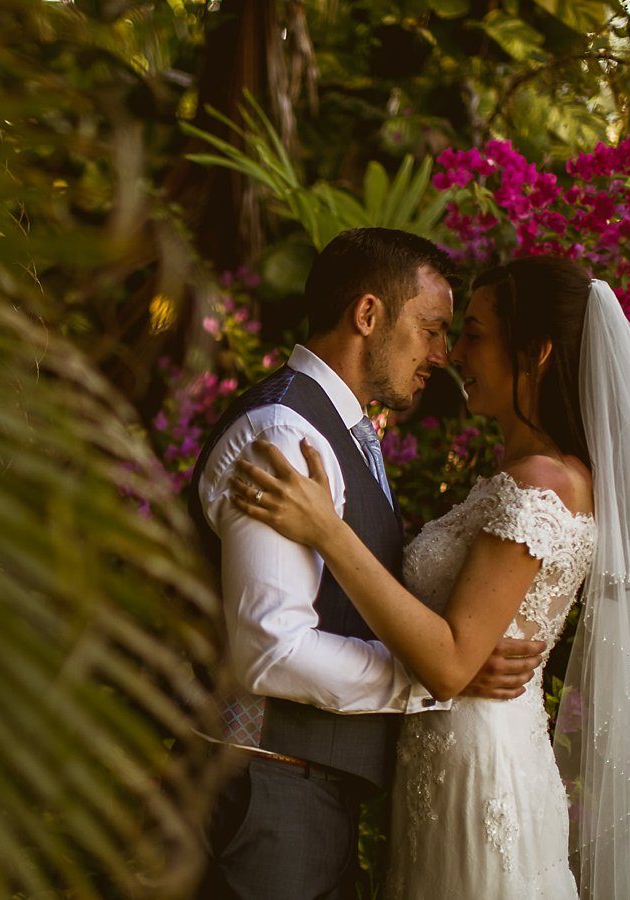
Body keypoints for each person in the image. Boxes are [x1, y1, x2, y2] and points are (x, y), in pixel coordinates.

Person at [231, 256, 630, 899]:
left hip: (480, 766)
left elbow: (453, 662)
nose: (455, 353)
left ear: (535, 353)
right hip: (448, 758)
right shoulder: (515, 478)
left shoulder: (540, 486)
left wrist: (328, 532)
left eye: (476, 334)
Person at [190, 228, 547, 900]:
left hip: (303, 799)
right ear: (367, 315)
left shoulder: (342, 431)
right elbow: (270, 651)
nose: (443, 354)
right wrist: (436, 678)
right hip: (265, 796)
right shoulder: (284, 434)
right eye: (433, 329)